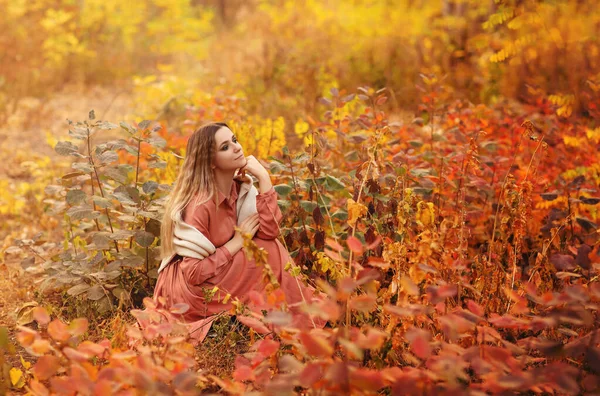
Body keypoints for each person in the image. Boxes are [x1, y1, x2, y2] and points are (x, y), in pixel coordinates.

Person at [154, 122, 323, 343]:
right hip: (189, 291)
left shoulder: (239, 189)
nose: (236, 147)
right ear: (210, 162)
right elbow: (193, 273)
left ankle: (293, 316)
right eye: (225, 147)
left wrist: (264, 179)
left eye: (234, 140)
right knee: (265, 250)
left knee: (268, 247)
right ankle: (291, 318)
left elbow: (270, 231)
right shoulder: (201, 204)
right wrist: (237, 242)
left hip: (217, 273)